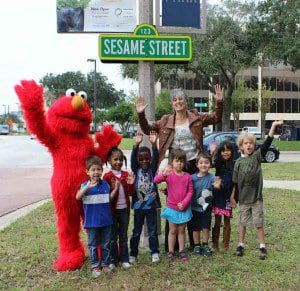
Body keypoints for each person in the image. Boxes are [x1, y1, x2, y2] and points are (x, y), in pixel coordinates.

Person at [136, 85, 224, 249]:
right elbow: (147, 128)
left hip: (193, 164)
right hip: (175, 166)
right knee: (174, 203)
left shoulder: (196, 117)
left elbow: (215, 118)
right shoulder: (165, 120)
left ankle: (194, 243)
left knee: (193, 202)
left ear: (186, 101)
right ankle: (174, 246)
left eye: (181, 99)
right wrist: (141, 114)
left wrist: (219, 102)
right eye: (175, 100)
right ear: (172, 103)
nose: (178, 102)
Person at [232, 120, 284, 260]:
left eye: (251, 143)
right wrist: (233, 198)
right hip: (243, 199)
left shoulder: (256, 157)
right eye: (246, 143)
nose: (248, 145)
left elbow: (267, 142)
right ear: (241, 146)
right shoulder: (237, 163)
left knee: (258, 223)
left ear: (254, 145)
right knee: (243, 223)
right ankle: (240, 244)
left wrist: (273, 126)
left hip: (256, 199)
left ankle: (262, 246)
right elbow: (235, 183)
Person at [76, 156, 119, 278]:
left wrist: (115, 189)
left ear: (102, 170)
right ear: (87, 172)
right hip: (92, 223)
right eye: (93, 170)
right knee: (93, 245)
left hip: (106, 221)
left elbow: (109, 199)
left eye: (98, 169)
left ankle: (105, 264)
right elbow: (77, 197)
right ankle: (95, 265)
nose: (96, 172)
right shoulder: (85, 185)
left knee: (106, 244)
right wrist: (87, 188)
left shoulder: (105, 184)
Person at [154, 149, 193, 262]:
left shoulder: (187, 177)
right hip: (172, 208)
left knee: (181, 230)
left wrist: (184, 202)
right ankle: (170, 251)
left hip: (184, 208)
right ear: (171, 162)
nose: (179, 163)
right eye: (177, 161)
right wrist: (163, 174)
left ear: (184, 162)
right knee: (172, 231)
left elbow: (190, 192)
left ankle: (181, 250)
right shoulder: (169, 175)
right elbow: (156, 180)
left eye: (181, 161)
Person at [129, 131, 161, 264]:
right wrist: (136, 145)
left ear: (150, 159)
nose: (144, 161)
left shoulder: (152, 170)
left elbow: (156, 157)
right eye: (141, 159)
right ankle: (133, 253)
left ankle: (154, 252)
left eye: (147, 158)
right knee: (136, 230)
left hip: (151, 205)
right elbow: (132, 160)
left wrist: (154, 145)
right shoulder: (136, 169)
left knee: (152, 231)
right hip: (139, 206)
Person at [103, 147, 135, 269]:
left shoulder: (126, 175)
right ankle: (113, 260)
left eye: (121, 159)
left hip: (124, 211)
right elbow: (106, 197)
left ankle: (124, 259)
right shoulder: (107, 176)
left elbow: (131, 193)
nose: (118, 162)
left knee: (123, 235)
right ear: (109, 161)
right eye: (115, 159)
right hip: (112, 212)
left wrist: (131, 184)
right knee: (112, 236)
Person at [189, 152, 221, 257]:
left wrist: (217, 186)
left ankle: (205, 244)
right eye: (201, 163)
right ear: (197, 164)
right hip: (194, 207)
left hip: (206, 208)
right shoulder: (192, 178)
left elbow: (217, 186)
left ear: (210, 164)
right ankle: (197, 245)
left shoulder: (211, 177)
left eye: (206, 163)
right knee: (195, 228)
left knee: (206, 227)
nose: (203, 165)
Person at [210, 141, 236, 253]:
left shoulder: (235, 164)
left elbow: (235, 183)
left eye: (228, 150)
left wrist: (232, 197)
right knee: (217, 221)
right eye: (223, 150)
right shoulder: (218, 163)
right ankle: (214, 244)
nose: (226, 153)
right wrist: (213, 152)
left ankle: (225, 244)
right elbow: (209, 163)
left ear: (232, 151)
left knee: (227, 221)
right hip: (218, 194)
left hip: (228, 196)